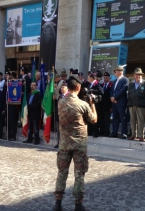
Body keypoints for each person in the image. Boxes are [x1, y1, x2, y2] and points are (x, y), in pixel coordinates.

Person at [53, 75, 97, 211]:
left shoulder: (60, 102)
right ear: (78, 87)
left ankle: (58, 203)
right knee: (79, 173)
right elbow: (94, 119)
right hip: (79, 144)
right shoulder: (83, 105)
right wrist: (93, 104)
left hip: (65, 143)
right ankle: (78, 204)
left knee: (62, 172)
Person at [127, 68, 145, 141]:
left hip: (141, 105)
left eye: (140, 75)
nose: (138, 76)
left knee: (140, 120)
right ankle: (133, 135)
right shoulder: (131, 84)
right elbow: (128, 94)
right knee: (132, 120)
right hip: (132, 104)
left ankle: (141, 136)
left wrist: (143, 102)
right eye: (137, 75)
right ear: (134, 75)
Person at [110, 66, 129, 138]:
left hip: (121, 102)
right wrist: (111, 97)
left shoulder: (125, 80)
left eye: (116, 71)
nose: (114, 72)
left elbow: (123, 90)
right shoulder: (115, 81)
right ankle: (114, 132)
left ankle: (124, 133)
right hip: (114, 102)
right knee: (115, 118)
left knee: (123, 118)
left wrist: (115, 97)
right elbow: (112, 90)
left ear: (120, 72)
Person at [54, 81, 68, 148]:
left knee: (65, 131)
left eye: (63, 87)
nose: (62, 89)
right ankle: (59, 143)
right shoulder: (60, 96)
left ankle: (64, 144)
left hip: (65, 117)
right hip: (59, 116)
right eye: (61, 87)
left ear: (67, 88)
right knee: (58, 131)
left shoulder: (68, 96)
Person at [99, 72, 113, 136]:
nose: (105, 79)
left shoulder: (111, 85)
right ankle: (101, 130)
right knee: (101, 119)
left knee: (107, 119)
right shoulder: (101, 85)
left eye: (106, 77)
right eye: (104, 77)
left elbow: (111, 96)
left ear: (109, 78)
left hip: (108, 105)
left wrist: (111, 107)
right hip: (101, 105)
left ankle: (107, 131)